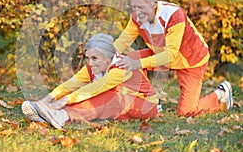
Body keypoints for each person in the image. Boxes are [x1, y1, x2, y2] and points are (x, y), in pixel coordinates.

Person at [113, 0, 233, 117]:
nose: (137, 12)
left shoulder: (174, 15)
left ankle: (220, 94)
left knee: (186, 112)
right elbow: (124, 40)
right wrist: (105, 55)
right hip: (162, 54)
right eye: (134, 7)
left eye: (140, 7)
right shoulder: (136, 17)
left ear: (153, 3)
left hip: (191, 60)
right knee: (132, 57)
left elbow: (171, 55)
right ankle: (151, 100)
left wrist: (138, 64)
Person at [22, 33, 158, 129]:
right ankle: (47, 113)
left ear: (107, 58)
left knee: (109, 97)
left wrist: (65, 100)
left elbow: (96, 88)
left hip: (145, 106)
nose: (90, 63)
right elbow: (71, 84)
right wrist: (49, 98)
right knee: (81, 93)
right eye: (88, 58)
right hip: (121, 109)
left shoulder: (122, 67)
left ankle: (62, 115)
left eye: (94, 58)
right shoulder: (92, 67)